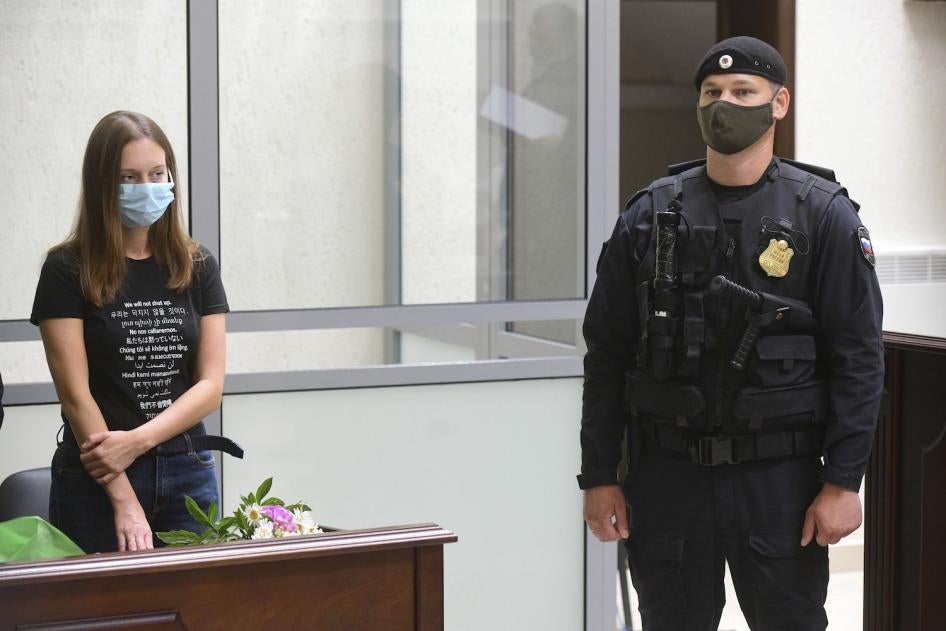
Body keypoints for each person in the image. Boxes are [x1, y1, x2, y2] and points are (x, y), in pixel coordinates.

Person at [579, 37, 883, 630]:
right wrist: (598, 476)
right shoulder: (647, 215)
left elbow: (860, 359)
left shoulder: (823, 216)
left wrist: (844, 480)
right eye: (712, 93)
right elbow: (607, 355)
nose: (725, 103)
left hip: (780, 482)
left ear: (778, 103)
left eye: (743, 92)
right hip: (667, 477)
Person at [31, 111, 241, 553]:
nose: (146, 187)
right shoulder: (67, 269)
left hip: (189, 470)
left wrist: (138, 441)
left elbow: (210, 386)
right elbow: (75, 396)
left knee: (195, 609)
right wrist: (123, 497)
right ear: (102, 184)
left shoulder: (196, 264)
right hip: (97, 478)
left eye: (156, 173)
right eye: (129, 177)